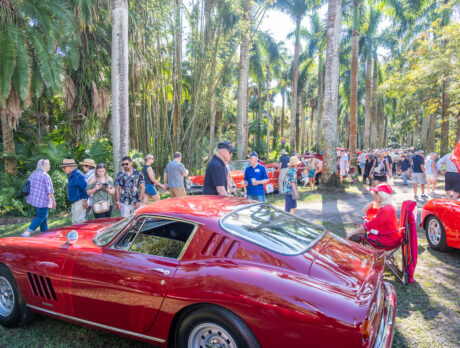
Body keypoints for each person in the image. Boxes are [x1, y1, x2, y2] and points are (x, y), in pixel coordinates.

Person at [347, 184, 401, 248]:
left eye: (377, 193)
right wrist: (374, 202)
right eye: (374, 193)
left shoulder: (386, 209)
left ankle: (361, 256)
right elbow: (365, 211)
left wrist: (351, 233)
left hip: (386, 241)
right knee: (358, 234)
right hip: (387, 237)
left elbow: (368, 226)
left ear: (384, 195)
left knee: (353, 237)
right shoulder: (388, 207)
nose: (374, 195)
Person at [22, 159, 56, 237]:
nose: (49, 166)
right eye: (48, 165)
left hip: (34, 201)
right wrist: (54, 201)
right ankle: (27, 232)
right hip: (42, 202)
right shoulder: (45, 175)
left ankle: (44, 233)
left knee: (44, 216)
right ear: (43, 166)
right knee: (41, 216)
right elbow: (50, 191)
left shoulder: (33, 174)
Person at [61, 159, 88, 225]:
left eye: (64, 167)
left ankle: (83, 235)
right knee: (75, 222)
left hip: (80, 201)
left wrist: (85, 200)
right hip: (75, 202)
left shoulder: (77, 175)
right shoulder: (71, 175)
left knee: (79, 221)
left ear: (70, 167)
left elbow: (86, 188)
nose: (63, 169)